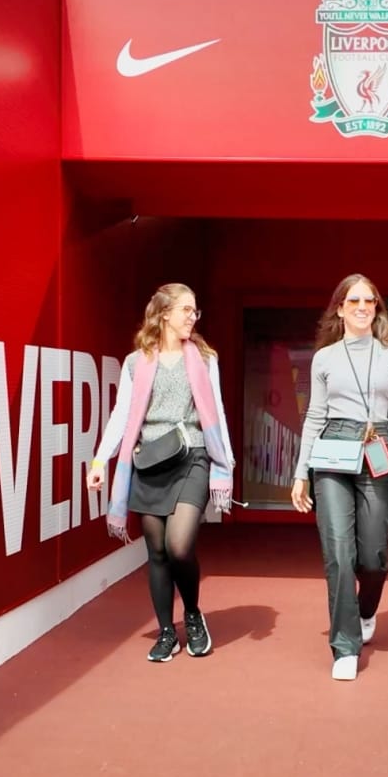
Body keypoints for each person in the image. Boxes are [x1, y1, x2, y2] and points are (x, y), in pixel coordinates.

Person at [87, 283, 235, 663]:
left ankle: (192, 614)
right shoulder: (137, 361)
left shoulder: (204, 358)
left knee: (179, 545)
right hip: (149, 460)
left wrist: (225, 462)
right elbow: (122, 415)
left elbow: (214, 410)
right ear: (165, 313)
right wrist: (101, 460)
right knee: (156, 552)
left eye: (195, 311)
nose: (192, 317)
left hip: (194, 456)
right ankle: (166, 632)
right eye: (186, 310)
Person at [290, 273, 388, 681]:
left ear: (376, 308)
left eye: (369, 301)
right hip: (333, 447)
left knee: (373, 556)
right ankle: (345, 646)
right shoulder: (324, 358)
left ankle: (365, 609)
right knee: (339, 553)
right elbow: (314, 416)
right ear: (340, 308)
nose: (362, 308)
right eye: (353, 301)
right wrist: (301, 472)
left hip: (379, 445)